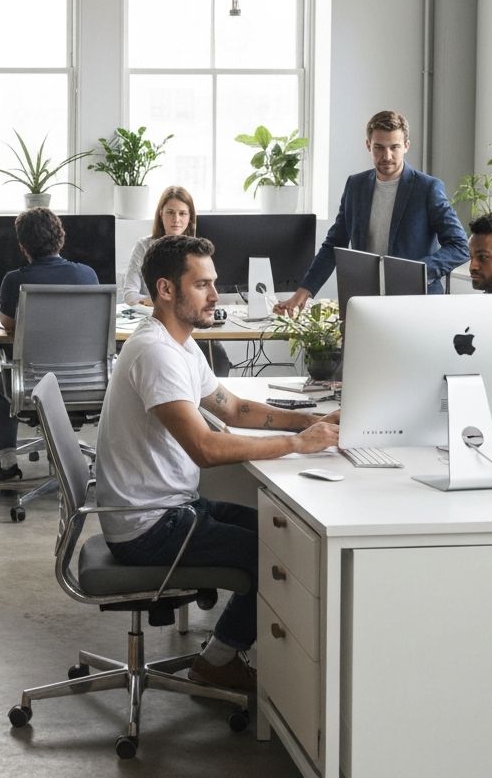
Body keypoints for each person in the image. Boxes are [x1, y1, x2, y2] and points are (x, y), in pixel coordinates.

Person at [95, 235, 339, 691]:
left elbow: (234, 410)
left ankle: (227, 651)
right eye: (203, 285)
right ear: (166, 290)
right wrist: (297, 446)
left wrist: (311, 420)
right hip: (148, 526)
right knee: (277, 556)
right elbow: (204, 448)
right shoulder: (156, 353)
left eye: (214, 283)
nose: (215, 296)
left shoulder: (181, 344)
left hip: (172, 507)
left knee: (278, 534)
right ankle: (218, 660)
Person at [276, 111, 468, 315]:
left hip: (418, 304)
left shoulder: (428, 188)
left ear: (406, 146)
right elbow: (334, 244)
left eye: (394, 147)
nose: (387, 156)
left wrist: (417, 271)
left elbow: (460, 246)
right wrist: (303, 292)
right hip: (366, 303)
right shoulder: (355, 185)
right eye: (379, 147)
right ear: (368, 145)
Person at [0, 208, 98, 482]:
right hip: (86, 385)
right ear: (60, 239)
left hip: (32, 386)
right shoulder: (87, 276)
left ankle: (8, 462)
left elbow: (8, 322)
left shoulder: (14, 280)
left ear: (22, 246)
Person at [124, 185, 231, 377]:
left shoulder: (199, 252)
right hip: (157, 322)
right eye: (170, 213)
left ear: (190, 217)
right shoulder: (143, 246)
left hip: (191, 324)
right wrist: (159, 301)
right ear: (160, 214)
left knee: (219, 357)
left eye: (183, 213)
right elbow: (129, 294)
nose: (176, 219)